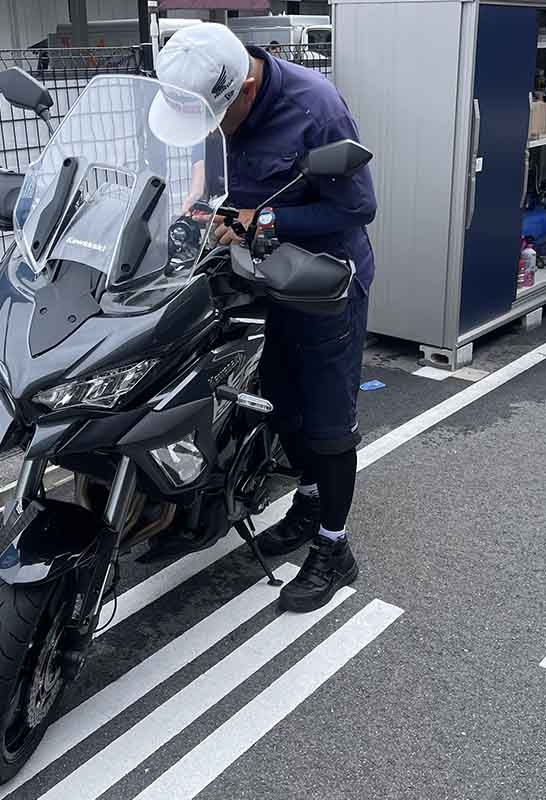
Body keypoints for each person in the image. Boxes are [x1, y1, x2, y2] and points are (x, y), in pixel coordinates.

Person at [148, 23, 377, 613]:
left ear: (246, 88)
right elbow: (213, 176)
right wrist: (197, 207)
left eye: (219, 116)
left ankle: (334, 546)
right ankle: (307, 502)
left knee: (327, 420)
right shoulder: (214, 102)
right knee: (280, 399)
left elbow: (357, 207)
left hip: (325, 284)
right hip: (261, 278)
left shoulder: (315, 106)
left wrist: (263, 221)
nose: (215, 128)